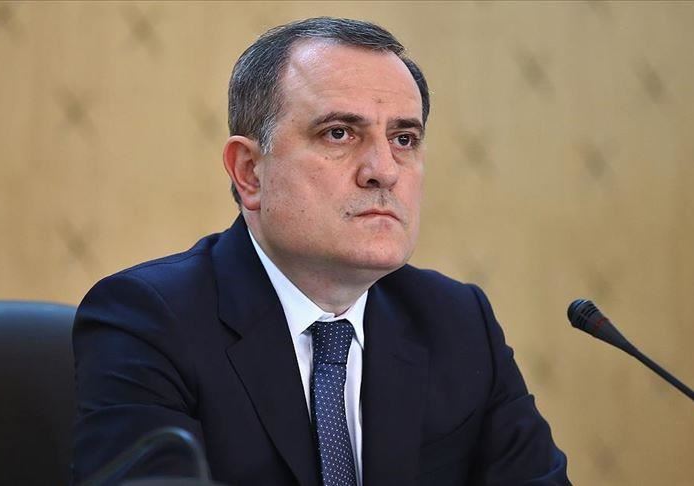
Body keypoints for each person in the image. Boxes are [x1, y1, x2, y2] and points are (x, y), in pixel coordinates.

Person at [72, 17, 570, 486]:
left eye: (403, 139)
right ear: (249, 171)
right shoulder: (149, 321)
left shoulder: (457, 322)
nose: (383, 170)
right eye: (339, 133)